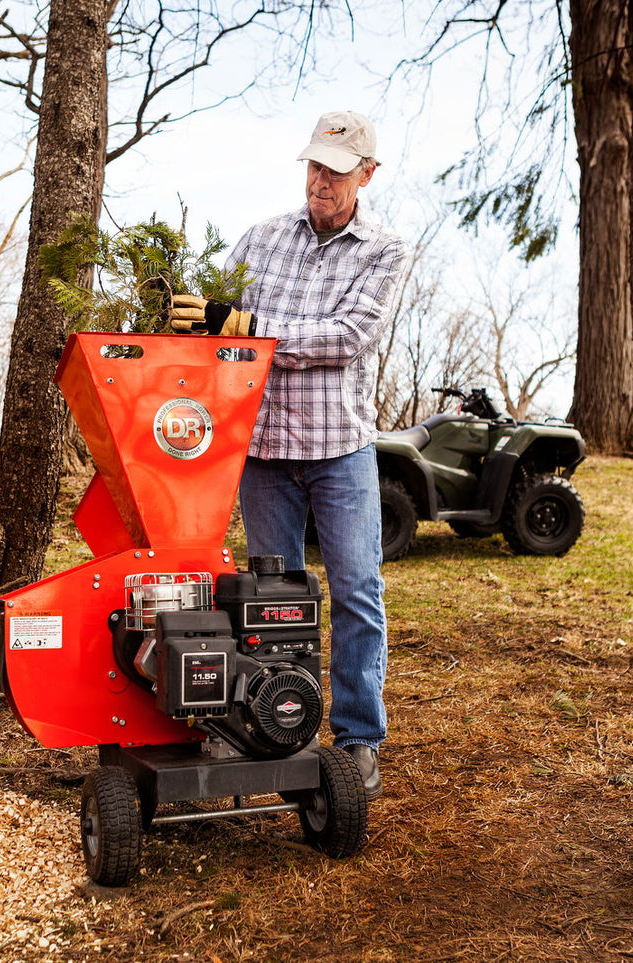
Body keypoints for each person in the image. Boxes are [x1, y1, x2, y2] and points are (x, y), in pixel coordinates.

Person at [169, 110, 407, 799]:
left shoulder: (382, 251)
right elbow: (214, 317)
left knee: (356, 593)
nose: (320, 181)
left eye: (335, 171)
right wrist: (185, 313)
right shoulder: (261, 238)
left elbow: (345, 337)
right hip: (263, 450)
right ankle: (259, 724)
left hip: (339, 449)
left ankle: (358, 739)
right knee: (269, 600)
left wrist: (245, 328)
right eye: (313, 166)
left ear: (366, 174)